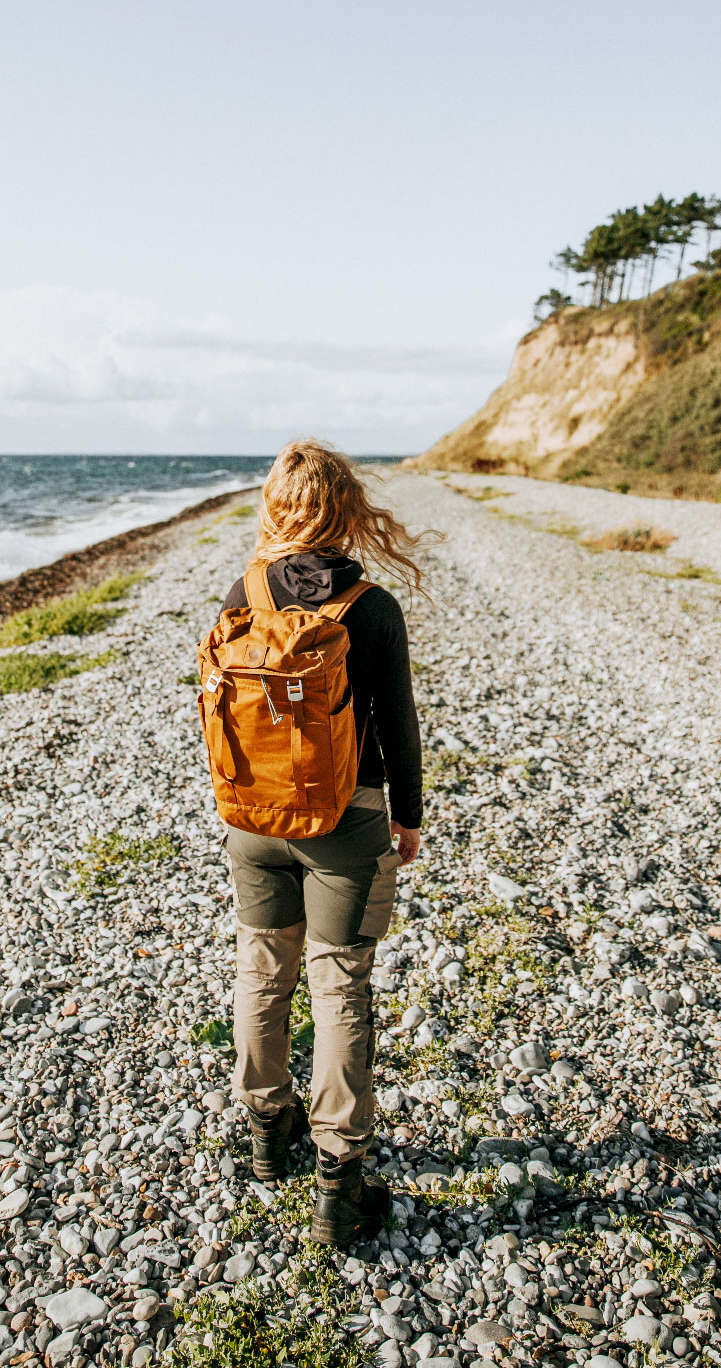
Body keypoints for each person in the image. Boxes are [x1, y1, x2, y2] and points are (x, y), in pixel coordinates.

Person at [215, 440, 428, 1248]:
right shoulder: (369, 606)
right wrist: (407, 816)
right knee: (340, 985)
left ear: (274, 505)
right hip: (345, 820)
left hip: (252, 818)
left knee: (261, 967)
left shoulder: (241, 594)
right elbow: (398, 725)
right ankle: (340, 1180)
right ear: (344, 508)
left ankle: (269, 1133)